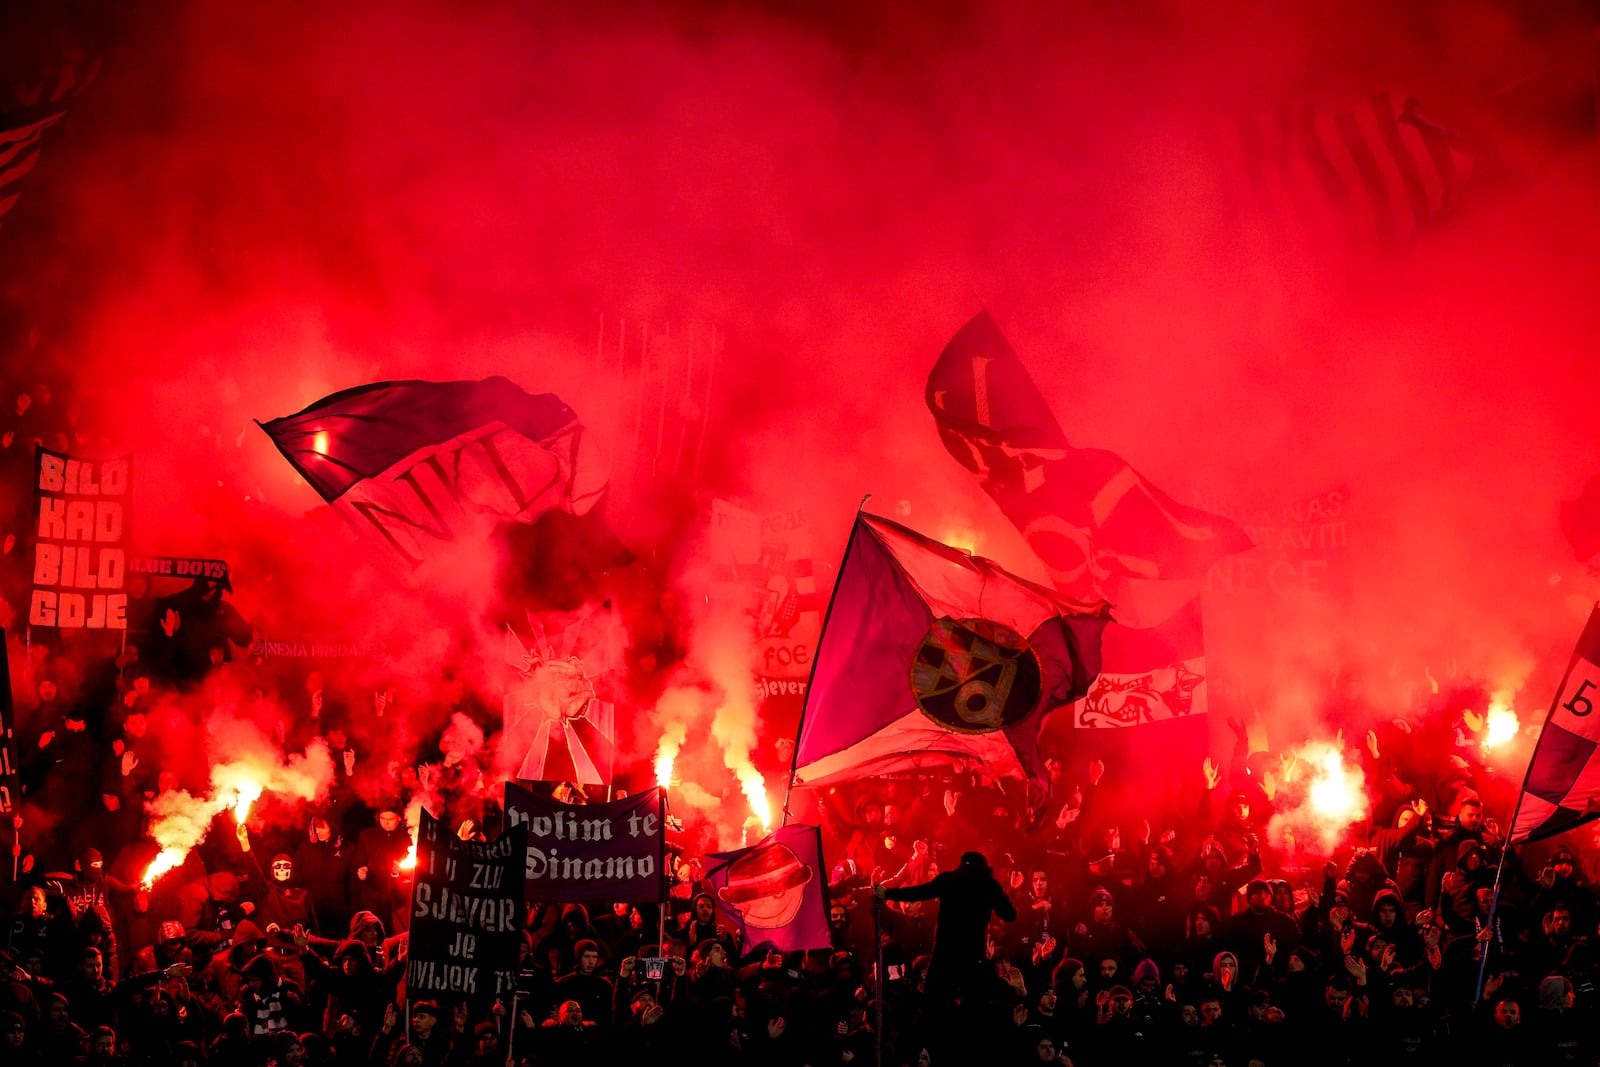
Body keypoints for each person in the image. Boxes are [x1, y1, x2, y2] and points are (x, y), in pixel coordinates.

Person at [875, 850, 1017, 1008]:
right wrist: (1006, 894)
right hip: (973, 952)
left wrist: (887, 893)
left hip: (945, 950)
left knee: (933, 1002)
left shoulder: (949, 879)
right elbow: (1010, 915)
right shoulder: (990, 885)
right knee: (972, 1003)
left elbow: (919, 892)